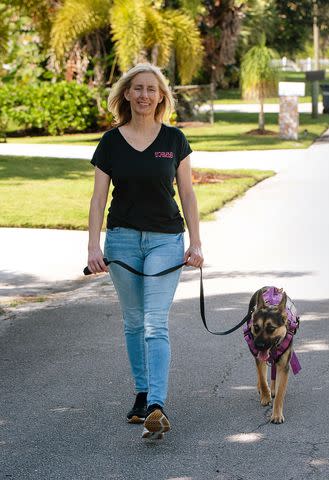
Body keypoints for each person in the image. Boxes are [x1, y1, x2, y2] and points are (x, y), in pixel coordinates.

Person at [87, 63, 204, 440]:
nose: (143, 95)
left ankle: (156, 403)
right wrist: (93, 245)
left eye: (151, 89)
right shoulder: (110, 142)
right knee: (134, 322)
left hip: (165, 241)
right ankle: (141, 393)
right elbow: (98, 198)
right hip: (120, 239)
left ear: (161, 96)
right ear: (126, 94)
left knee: (155, 321)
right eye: (137, 88)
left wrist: (196, 242)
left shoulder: (174, 140)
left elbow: (187, 193)